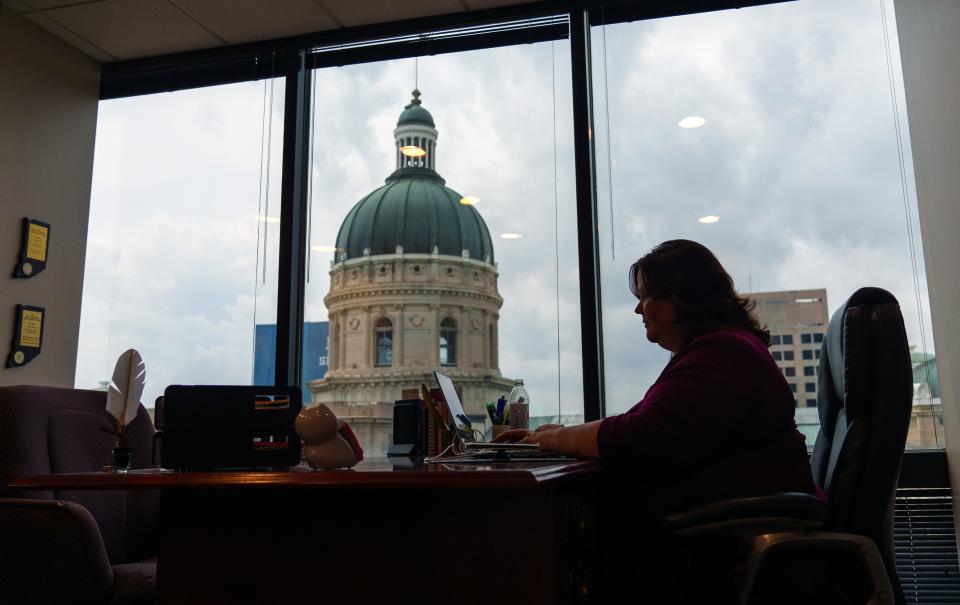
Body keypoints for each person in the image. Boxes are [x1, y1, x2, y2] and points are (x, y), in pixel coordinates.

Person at [495, 239, 817, 602]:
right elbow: (648, 422)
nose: (637, 309)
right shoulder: (721, 350)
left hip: (720, 537)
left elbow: (643, 434)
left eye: (646, 296)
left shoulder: (721, 353)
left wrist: (552, 440)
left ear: (679, 298)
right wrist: (558, 434)